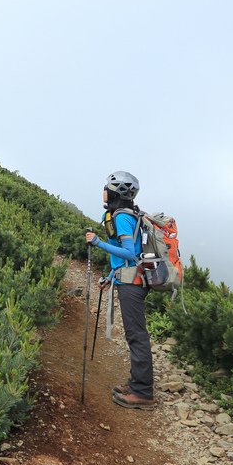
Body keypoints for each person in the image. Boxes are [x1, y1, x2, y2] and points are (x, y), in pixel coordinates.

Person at [82, 171, 156, 410]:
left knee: (137, 336)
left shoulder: (122, 217)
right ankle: (136, 384)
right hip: (128, 279)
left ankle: (143, 392)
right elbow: (124, 259)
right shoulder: (123, 214)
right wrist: (110, 276)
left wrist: (97, 243)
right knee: (134, 334)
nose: (104, 190)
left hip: (132, 285)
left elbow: (130, 254)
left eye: (107, 187)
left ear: (117, 191)